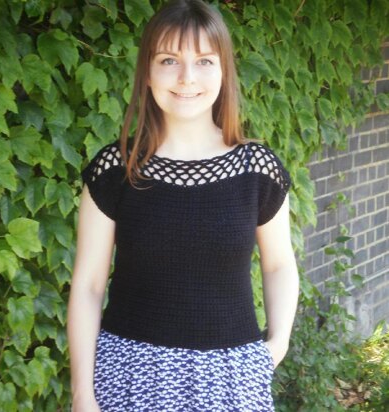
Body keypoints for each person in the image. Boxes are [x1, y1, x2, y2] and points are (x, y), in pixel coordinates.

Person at [67, 0, 299, 411]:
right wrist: (82, 394)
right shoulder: (115, 169)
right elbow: (88, 286)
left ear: (223, 70)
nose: (187, 77)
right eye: (169, 60)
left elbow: (279, 264)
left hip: (232, 379)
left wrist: (276, 344)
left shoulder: (257, 169)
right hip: (129, 377)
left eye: (204, 61)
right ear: (148, 70)